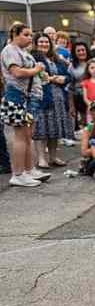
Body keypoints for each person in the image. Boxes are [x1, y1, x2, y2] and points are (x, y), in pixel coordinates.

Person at [0, 22, 51, 186]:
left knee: (28, 136)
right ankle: (18, 174)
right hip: (18, 96)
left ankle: (29, 170)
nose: (30, 38)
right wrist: (36, 70)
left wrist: (40, 74)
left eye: (30, 35)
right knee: (20, 136)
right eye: (26, 34)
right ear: (15, 34)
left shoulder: (23, 52)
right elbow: (17, 72)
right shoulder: (10, 51)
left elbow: (30, 72)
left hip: (29, 97)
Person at [30, 32, 73, 169]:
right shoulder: (33, 58)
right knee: (42, 129)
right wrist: (54, 78)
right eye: (41, 42)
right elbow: (41, 77)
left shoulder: (56, 59)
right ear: (36, 44)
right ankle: (42, 158)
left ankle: (53, 157)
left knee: (55, 129)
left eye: (46, 42)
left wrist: (63, 79)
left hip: (58, 98)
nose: (44, 44)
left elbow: (68, 76)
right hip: (42, 97)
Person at [68, 41, 91, 129]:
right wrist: (71, 106)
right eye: (78, 51)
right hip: (79, 97)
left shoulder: (93, 62)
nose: (81, 52)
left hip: (94, 96)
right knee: (85, 123)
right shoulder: (72, 67)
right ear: (75, 53)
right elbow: (70, 87)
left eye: (83, 50)